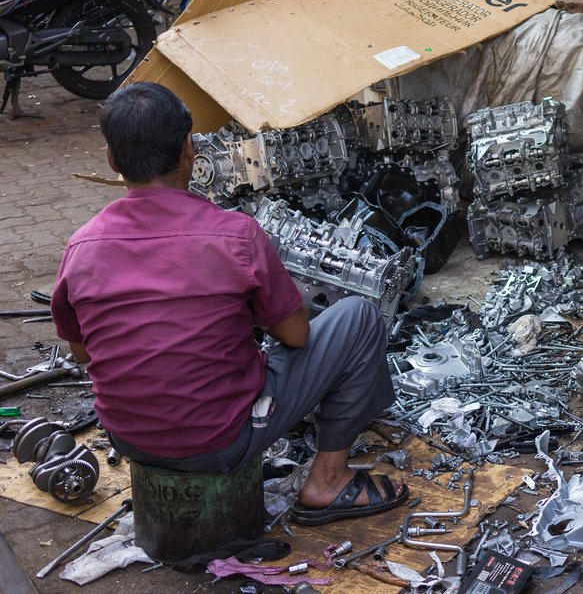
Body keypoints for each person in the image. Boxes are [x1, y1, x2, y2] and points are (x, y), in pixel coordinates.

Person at [50, 83, 407, 525]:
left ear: (111, 159)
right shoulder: (235, 235)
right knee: (360, 316)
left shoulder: (81, 246)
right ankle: (328, 482)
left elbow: (84, 353)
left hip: (128, 438)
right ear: (189, 149)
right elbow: (295, 335)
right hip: (220, 439)